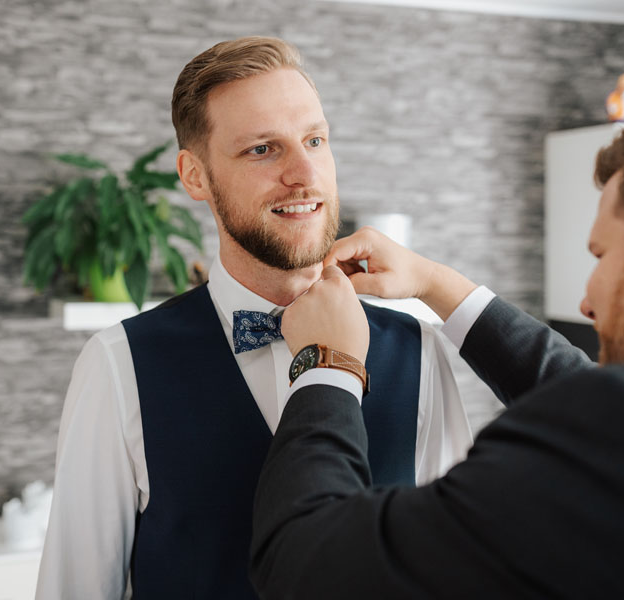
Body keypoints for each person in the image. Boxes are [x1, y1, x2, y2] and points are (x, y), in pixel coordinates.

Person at [250, 93, 624, 599]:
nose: (586, 300)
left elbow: (308, 567)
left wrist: (327, 364)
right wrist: (433, 281)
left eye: (602, 254)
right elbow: (590, 393)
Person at [35, 36, 476, 599]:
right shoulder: (118, 364)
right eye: (263, 149)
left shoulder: (421, 349)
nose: (304, 173)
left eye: (315, 140)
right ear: (195, 176)